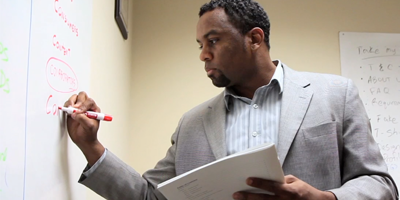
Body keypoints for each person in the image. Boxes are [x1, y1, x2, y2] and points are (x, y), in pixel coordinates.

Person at [64, 0, 398, 199]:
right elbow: (151, 196)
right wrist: (91, 146)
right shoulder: (192, 124)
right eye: (200, 45)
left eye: (213, 41)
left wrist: (325, 198)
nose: (204, 55)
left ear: (254, 39)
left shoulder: (336, 95)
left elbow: (382, 185)